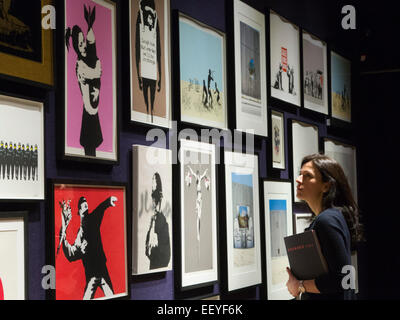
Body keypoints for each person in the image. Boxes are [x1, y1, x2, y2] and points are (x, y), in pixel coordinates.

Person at [286, 154, 363, 300]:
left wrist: (300, 285)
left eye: (307, 176)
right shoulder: (332, 217)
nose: (298, 180)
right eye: (300, 174)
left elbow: (343, 279)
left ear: (326, 186)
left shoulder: (326, 220)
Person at [59, 195, 118, 300]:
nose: (85, 205)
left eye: (86, 205)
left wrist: (107, 202)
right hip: (91, 275)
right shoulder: (79, 235)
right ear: (80, 212)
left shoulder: (91, 221)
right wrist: (63, 233)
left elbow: (98, 211)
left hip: (101, 271)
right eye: (83, 206)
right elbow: (71, 254)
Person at [66, 5, 103, 157]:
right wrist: (98, 65)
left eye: (84, 43)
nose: (84, 46)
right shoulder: (80, 65)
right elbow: (96, 72)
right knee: (90, 146)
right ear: (75, 46)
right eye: (80, 44)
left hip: (93, 111)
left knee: (93, 146)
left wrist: (90, 25)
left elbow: (93, 48)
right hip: (88, 112)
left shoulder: (87, 59)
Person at [135, 0, 162, 123]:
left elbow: (156, 18)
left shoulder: (153, 33)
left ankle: (151, 113)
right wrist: (143, 9)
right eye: (149, 18)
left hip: (151, 73)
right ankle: (147, 113)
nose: (150, 19)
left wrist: (152, 12)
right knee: (146, 98)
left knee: (152, 98)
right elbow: (140, 11)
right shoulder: (143, 30)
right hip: (145, 72)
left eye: (152, 18)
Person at [145, 172, 171, 270]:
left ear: (161, 196)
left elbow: (166, 258)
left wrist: (154, 250)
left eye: (155, 195)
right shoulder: (153, 220)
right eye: (152, 195)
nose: (153, 200)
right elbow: (147, 251)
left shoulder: (163, 223)